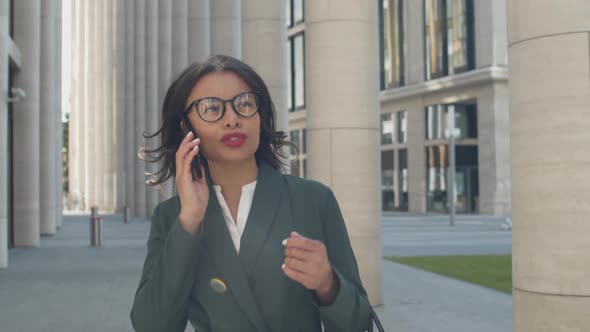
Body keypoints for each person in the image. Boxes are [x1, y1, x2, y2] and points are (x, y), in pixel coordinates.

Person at [130, 55, 371, 332]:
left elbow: (357, 322)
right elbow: (151, 325)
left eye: (244, 104)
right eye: (211, 108)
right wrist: (190, 221)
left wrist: (328, 284)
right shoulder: (172, 216)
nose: (232, 119)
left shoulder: (314, 200)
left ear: (259, 116)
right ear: (186, 127)